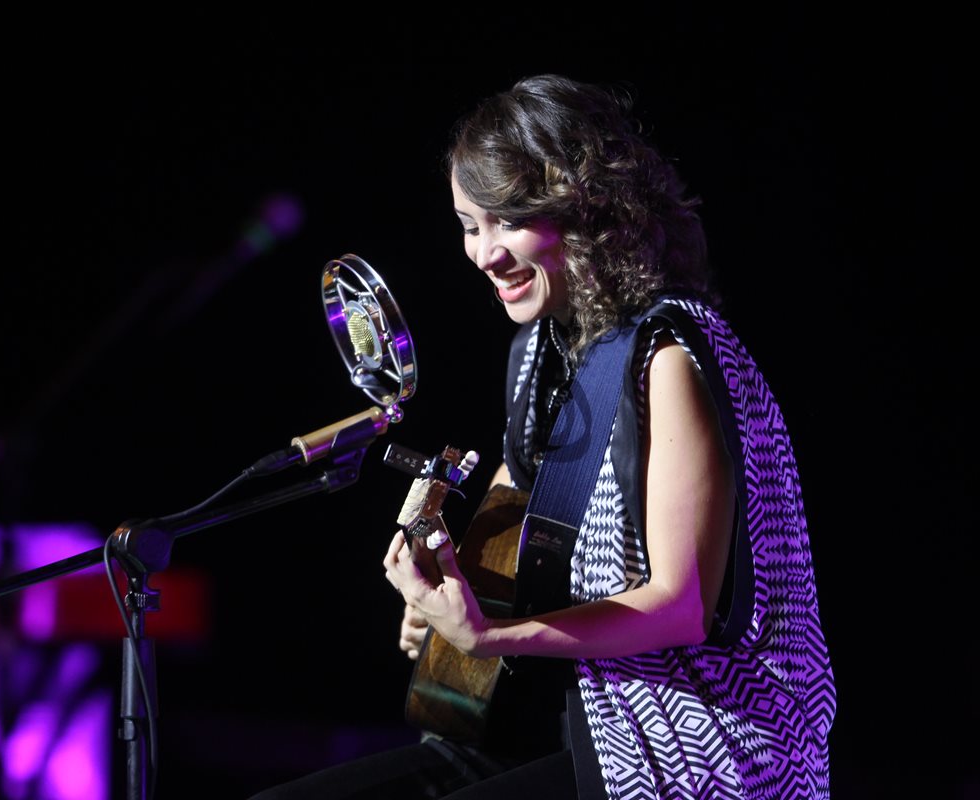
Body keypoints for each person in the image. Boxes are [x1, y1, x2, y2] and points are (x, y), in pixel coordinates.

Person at [250, 74, 835, 799]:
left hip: (694, 748)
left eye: (509, 219)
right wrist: (446, 582)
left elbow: (679, 606)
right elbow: (519, 483)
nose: (483, 253)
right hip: (578, 714)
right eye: (469, 224)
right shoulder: (540, 349)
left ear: (588, 208)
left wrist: (489, 638)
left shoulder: (671, 357)